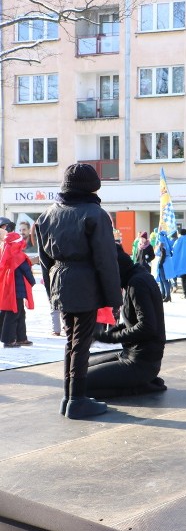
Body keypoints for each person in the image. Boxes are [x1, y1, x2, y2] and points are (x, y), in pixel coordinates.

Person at [36, 163, 122, 419]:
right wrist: (114, 299)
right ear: (92, 186)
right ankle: (77, 399)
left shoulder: (48, 214)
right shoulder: (95, 214)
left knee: (72, 341)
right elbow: (106, 260)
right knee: (81, 343)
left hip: (61, 281)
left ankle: (70, 397)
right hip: (85, 283)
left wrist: (52, 290)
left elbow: (44, 259)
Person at [89, 246, 167, 398]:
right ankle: (138, 382)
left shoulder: (137, 284)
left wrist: (110, 338)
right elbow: (133, 322)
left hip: (142, 363)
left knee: (80, 386)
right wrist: (105, 334)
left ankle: (141, 387)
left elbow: (147, 327)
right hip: (129, 354)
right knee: (79, 373)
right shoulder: (134, 278)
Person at [0, 232, 36, 348]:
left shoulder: (5, 253)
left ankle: (21, 338)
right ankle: (9, 340)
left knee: (18, 313)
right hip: (17, 291)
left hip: (8, 290)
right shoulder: (19, 256)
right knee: (14, 314)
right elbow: (26, 271)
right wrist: (32, 281)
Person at [154, 230, 174, 302]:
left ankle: (167, 295)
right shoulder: (166, 241)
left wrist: (160, 264)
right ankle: (163, 294)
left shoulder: (162, 242)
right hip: (165, 262)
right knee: (162, 280)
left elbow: (163, 254)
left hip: (163, 263)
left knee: (164, 280)